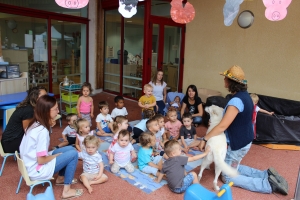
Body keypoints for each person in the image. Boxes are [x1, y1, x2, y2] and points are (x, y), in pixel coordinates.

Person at [199, 65, 289, 195]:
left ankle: (268, 184)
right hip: (245, 139)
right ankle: (266, 174)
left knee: (227, 176)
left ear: (231, 82)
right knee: (233, 167)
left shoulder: (236, 101)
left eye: (225, 77)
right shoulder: (245, 96)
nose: (224, 79)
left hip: (238, 143)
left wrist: (205, 138)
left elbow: (223, 126)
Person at [19, 95, 83, 199]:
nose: (58, 112)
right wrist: (56, 155)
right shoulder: (42, 131)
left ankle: (60, 179)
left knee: (70, 149)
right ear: (46, 111)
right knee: (73, 153)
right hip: (37, 169)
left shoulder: (34, 123)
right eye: (55, 109)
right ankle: (66, 191)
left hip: (30, 163)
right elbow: (41, 160)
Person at [1, 86, 47, 153]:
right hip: (10, 143)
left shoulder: (31, 107)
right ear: (35, 97)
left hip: (12, 139)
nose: (46, 98)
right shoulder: (29, 110)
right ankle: (38, 159)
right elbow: (28, 131)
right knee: (40, 137)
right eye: (44, 96)